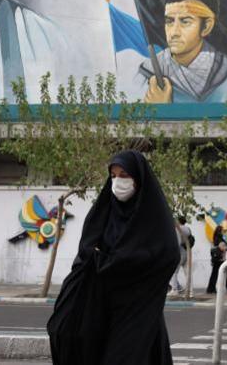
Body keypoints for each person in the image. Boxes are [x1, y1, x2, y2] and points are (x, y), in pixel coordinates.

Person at [47, 150, 179, 365]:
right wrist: (103, 261)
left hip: (137, 308)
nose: (118, 182)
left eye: (125, 175)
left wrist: (111, 262)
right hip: (98, 305)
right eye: (113, 175)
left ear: (139, 178)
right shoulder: (104, 211)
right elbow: (86, 254)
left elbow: (166, 255)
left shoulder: (153, 217)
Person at [142, 0, 227, 103]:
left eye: (185, 21)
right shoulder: (145, 73)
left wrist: (162, 111)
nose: (174, 32)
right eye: (169, 21)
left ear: (206, 27)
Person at [171, 216, 192, 295]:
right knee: (187, 272)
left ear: (178, 221)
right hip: (186, 251)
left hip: (179, 251)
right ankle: (189, 289)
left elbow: (177, 241)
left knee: (173, 271)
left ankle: (175, 289)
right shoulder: (187, 229)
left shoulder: (178, 228)